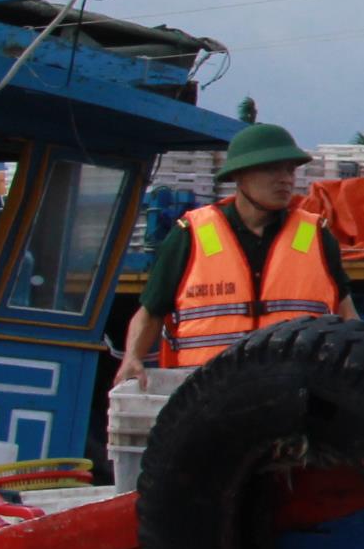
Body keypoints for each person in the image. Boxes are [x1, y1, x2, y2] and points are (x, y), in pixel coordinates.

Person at [113, 121, 350, 380]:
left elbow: (347, 312)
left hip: (296, 392)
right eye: (271, 169)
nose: (285, 179)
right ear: (239, 175)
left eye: (290, 170)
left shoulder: (314, 234)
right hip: (206, 393)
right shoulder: (192, 234)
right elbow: (151, 312)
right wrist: (132, 358)